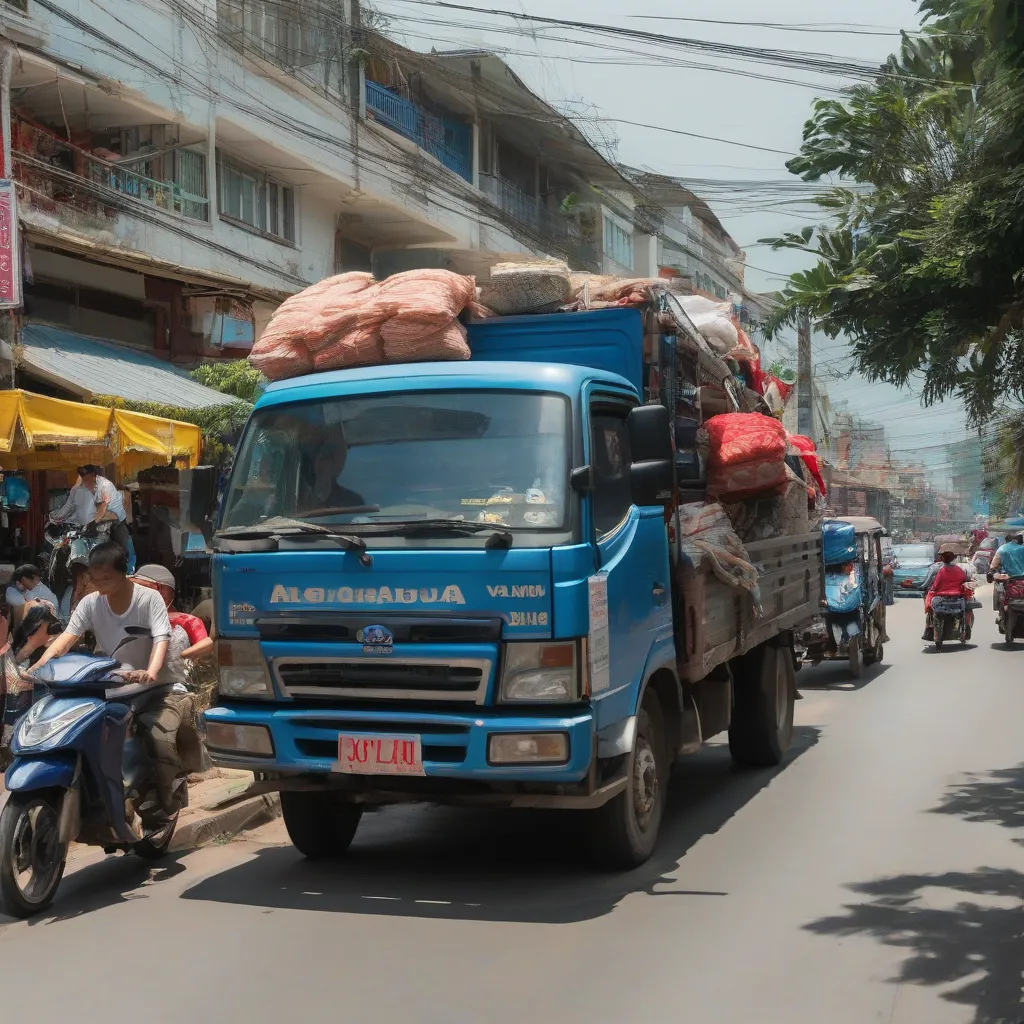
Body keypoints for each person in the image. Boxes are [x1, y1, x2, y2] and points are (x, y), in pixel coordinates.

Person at [28, 542, 182, 818]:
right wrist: (41, 663)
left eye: (106, 578)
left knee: (154, 737)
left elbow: (162, 638)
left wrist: (151, 671)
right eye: (94, 579)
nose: (99, 585)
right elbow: (66, 638)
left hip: (152, 687)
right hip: (110, 686)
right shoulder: (90, 603)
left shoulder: (149, 599)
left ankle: (160, 794)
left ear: (125, 572)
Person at [131, 564, 213, 691]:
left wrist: (183, 655)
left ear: (163, 591)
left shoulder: (186, 621)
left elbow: (206, 644)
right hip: (131, 684)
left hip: (171, 688)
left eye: (143, 588)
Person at [50, 465, 131, 560]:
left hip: (115, 523)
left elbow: (103, 507)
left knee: (120, 554)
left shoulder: (104, 485)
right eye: (83, 478)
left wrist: (94, 523)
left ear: (93, 475)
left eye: (87, 478)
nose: (85, 481)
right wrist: (53, 517)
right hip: (93, 527)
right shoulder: (76, 489)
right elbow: (68, 507)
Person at [297, 430, 365, 513]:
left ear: (336, 465)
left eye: (325, 458)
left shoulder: (352, 501)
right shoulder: (295, 495)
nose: (318, 463)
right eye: (316, 458)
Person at [922, 546, 971, 641]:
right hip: (957, 598)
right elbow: (964, 582)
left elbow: (935, 586)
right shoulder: (960, 570)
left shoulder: (940, 570)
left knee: (931, 607)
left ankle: (932, 631)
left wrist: (932, 591)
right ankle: (965, 630)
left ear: (942, 559)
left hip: (941, 598)